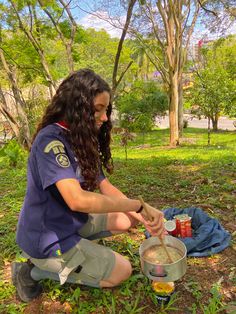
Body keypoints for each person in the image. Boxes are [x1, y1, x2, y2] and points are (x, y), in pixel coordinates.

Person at [12, 68, 164, 302]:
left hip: (69, 222)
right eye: (98, 110)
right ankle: (32, 271)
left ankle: (79, 249)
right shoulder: (50, 141)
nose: (104, 118)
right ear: (77, 107)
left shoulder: (81, 138)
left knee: (127, 217)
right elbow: (78, 200)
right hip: (46, 236)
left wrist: (142, 213)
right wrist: (139, 205)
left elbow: (106, 186)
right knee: (123, 271)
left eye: (106, 110)